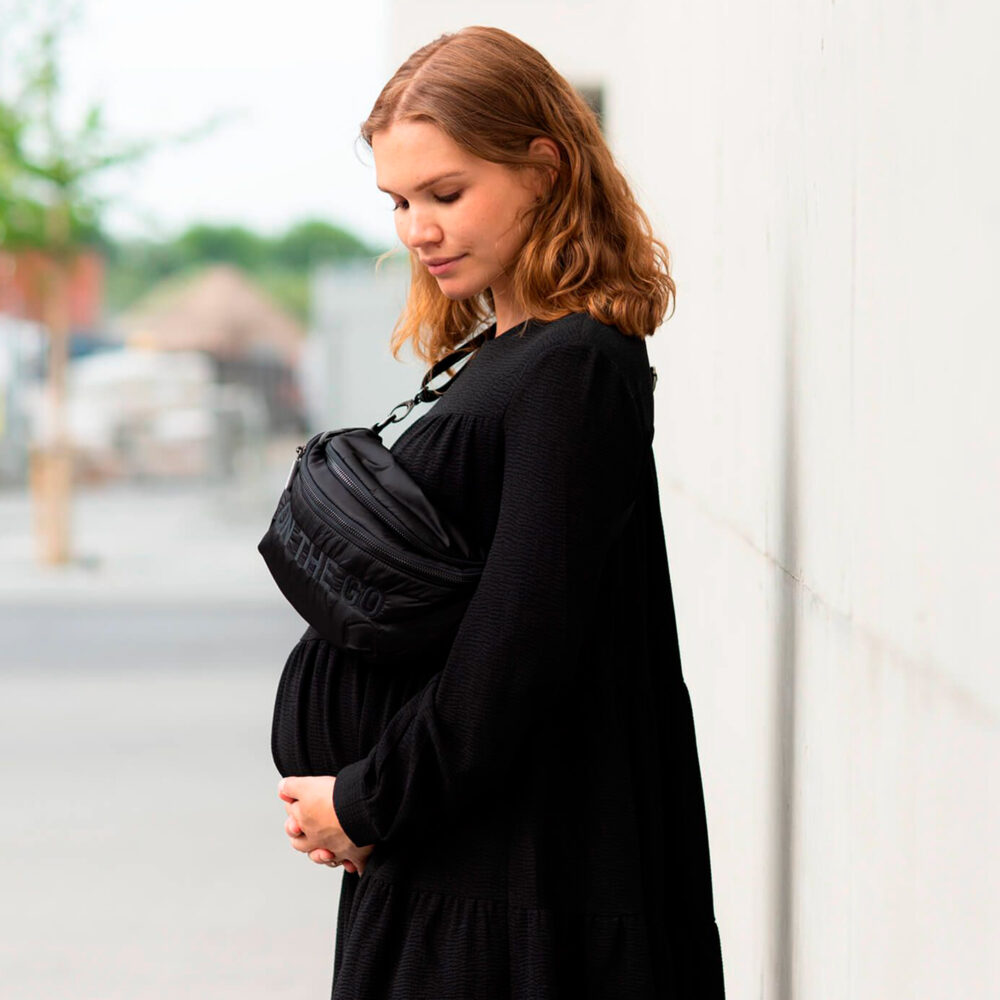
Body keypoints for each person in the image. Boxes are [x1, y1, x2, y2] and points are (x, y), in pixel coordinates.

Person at [272, 24, 725, 999]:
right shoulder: (502, 355)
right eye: (397, 202)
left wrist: (365, 798)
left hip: (516, 887)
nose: (417, 230)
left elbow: (516, 648)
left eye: (445, 193)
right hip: (452, 863)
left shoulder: (574, 368)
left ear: (543, 168)